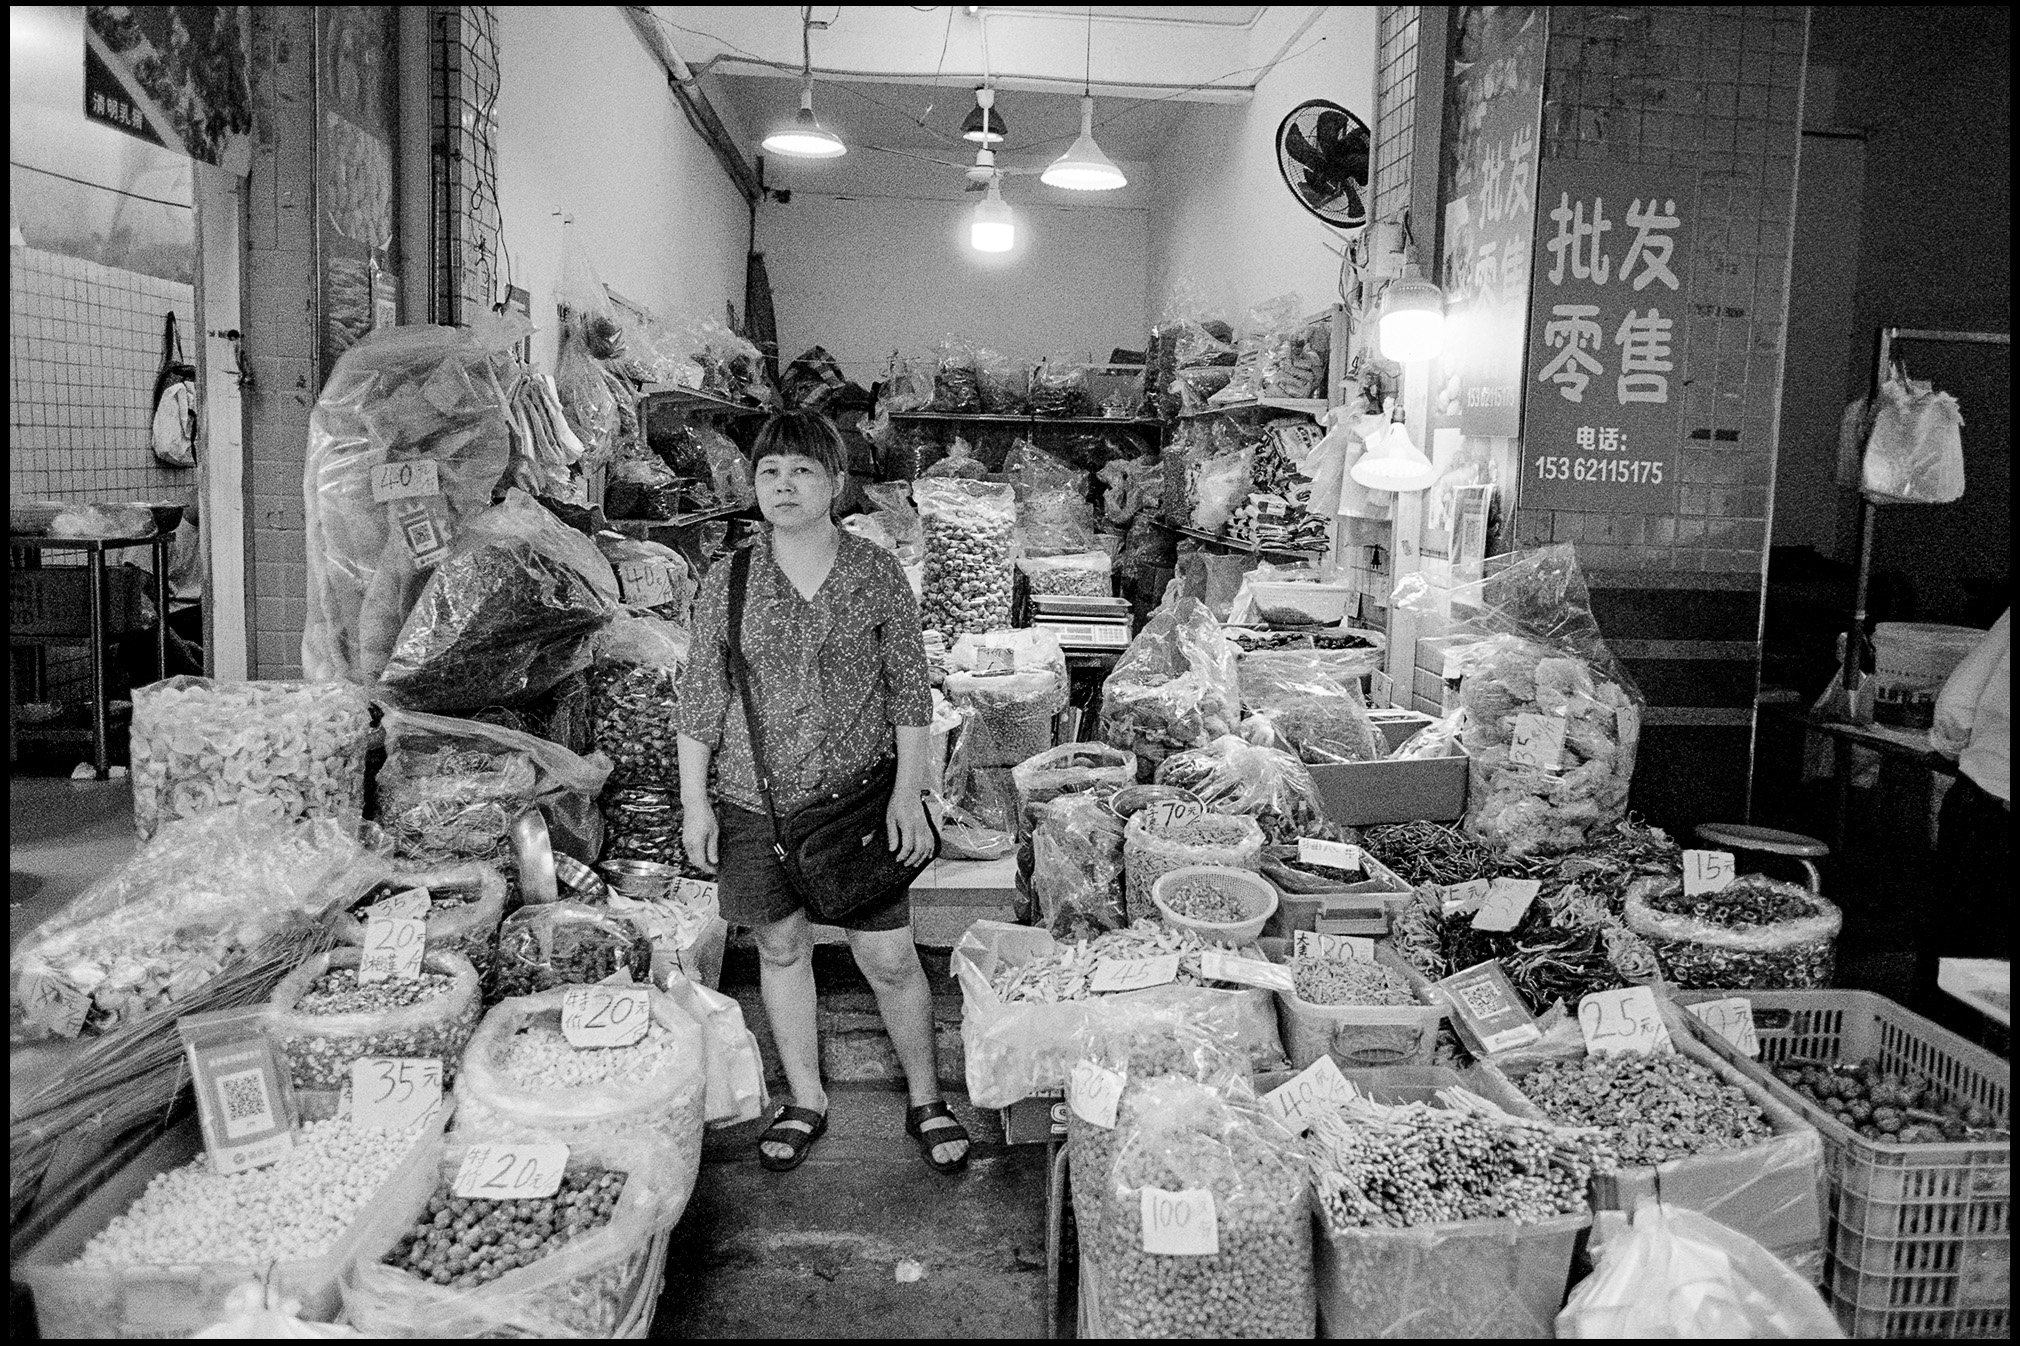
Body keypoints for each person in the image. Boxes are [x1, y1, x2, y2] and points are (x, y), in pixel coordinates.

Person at [676, 411, 968, 1175]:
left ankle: (925, 1095)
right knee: (779, 945)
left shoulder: (873, 571)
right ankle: (805, 1095)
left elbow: (910, 691)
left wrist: (909, 794)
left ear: (835, 484)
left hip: (859, 797)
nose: (784, 485)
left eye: (803, 470)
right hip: (753, 798)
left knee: (891, 956)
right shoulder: (729, 577)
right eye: (770, 472)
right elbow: (701, 697)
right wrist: (694, 802)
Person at [1921, 609, 2009, 1023]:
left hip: (1983, 801)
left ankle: (1925, 1060)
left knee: (1955, 959)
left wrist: (1960, 748)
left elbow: (1957, 703)